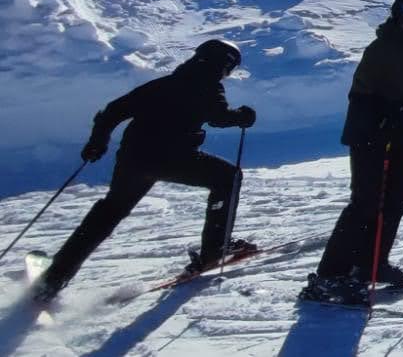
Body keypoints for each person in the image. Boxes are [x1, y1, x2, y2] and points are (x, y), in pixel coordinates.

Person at [33, 40, 255, 302]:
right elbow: (218, 116)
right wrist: (242, 116)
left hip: (133, 159)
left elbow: (113, 111)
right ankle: (214, 250)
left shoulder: (163, 83)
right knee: (228, 177)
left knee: (110, 210)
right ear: (225, 65)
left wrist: (97, 142)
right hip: (173, 158)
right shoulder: (209, 85)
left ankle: (55, 276)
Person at [303, 0, 403, 304]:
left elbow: (397, 96)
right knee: (365, 203)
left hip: (394, 136)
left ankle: (370, 264)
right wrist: (386, 117)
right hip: (370, 136)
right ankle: (329, 276)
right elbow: (362, 94)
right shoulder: (383, 48)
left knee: (399, 197)